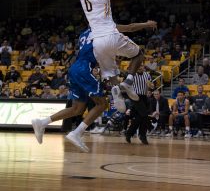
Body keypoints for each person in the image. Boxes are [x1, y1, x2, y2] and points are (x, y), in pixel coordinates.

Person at [31, 20, 156, 152]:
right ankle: (77, 133)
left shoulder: (83, 34)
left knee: (77, 109)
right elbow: (130, 28)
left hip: (74, 69)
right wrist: (146, 24)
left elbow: (96, 52)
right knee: (102, 104)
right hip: (84, 69)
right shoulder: (102, 29)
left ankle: (42, 122)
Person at [80, 0, 148, 106]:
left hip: (97, 42)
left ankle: (116, 92)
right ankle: (129, 81)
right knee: (138, 54)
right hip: (111, 34)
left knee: (110, 73)